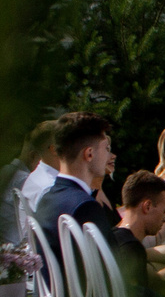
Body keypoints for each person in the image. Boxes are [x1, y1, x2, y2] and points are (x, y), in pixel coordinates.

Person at [33, 112, 117, 266]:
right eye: (106, 148)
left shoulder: (47, 199)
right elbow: (115, 266)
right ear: (89, 154)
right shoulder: (85, 207)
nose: (110, 156)